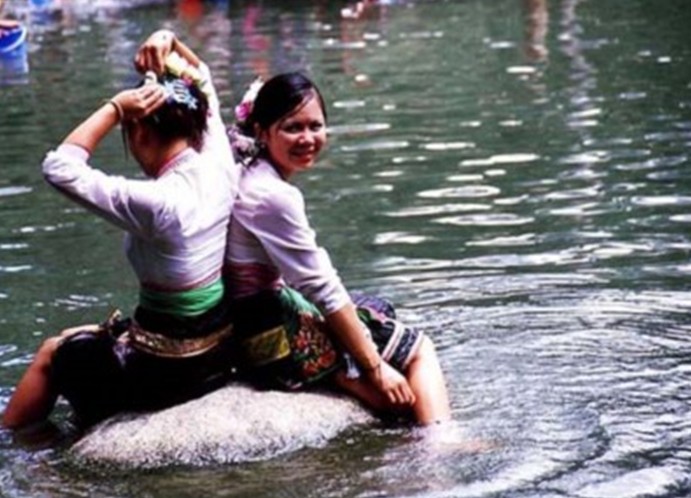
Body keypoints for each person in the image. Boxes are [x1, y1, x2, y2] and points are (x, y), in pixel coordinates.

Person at [2, 29, 240, 429]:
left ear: (139, 131)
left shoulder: (157, 201)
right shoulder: (219, 163)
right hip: (216, 349)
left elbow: (58, 168)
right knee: (81, 332)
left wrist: (114, 107)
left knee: (54, 352)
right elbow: (201, 76)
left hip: (168, 370)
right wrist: (168, 38)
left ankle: (11, 443)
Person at [225, 73, 451, 425]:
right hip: (271, 333)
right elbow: (323, 288)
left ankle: (339, 372)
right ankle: (440, 443)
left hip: (245, 329)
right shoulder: (271, 195)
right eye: (292, 128)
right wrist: (375, 369)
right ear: (261, 131)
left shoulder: (242, 169)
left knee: (377, 307)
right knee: (419, 350)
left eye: (315, 126)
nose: (307, 138)